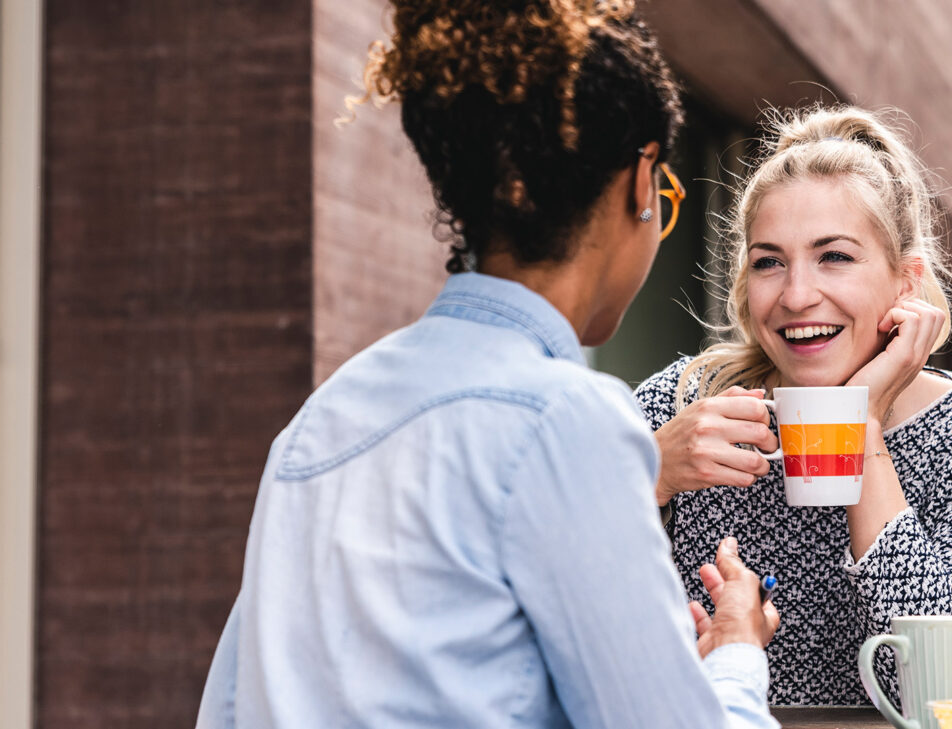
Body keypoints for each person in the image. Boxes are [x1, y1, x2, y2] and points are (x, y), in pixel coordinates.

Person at [195, 2, 781, 727]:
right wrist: (735, 654)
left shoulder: (318, 424)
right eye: (662, 199)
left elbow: (230, 708)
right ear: (640, 182)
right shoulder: (566, 420)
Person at [634, 105, 952, 708]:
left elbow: (938, 685)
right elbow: (555, 586)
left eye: (835, 257)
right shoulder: (684, 407)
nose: (797, 295)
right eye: (769, 262)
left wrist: (864, 426)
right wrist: (651, 472)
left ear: (906, 281)